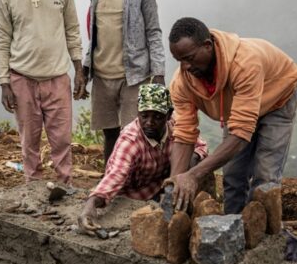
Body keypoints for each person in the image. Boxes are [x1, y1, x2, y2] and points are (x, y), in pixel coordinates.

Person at [166, 17, 297, 215]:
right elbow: (185, 133)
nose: (185, 67)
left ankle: (264, 239)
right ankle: (232, 228)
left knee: (265, 176)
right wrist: (175, 181)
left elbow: (240, 133)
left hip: (277, 100)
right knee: (233, 173)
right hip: (238, 108)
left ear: (207, 46)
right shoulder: (181, 83)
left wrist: (194, 175)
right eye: (180, 61)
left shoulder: (245, 63)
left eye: (190, 58)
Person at [0, 0, 86, 185]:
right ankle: (33, 190)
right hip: (22, 79)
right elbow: (2, 41)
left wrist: (78, 70)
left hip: (57, 78)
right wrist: (4, 83)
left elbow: (73, 31)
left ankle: (64, 187)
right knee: (29, 141)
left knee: (62, 140)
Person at [78, 84, 207, 232]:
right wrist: (91, 205)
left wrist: (187, 169)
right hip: (133, 195)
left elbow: (201, 146)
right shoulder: (130, 140)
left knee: (195, 163)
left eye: (157, 117)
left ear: (169, 114)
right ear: (138, 111)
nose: (149, 123)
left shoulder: (176, 126)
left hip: (161, 186)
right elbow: (115, 175)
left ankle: (185, 211)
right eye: (144, 116)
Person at [83, 0, 165, 165]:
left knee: (134, 132)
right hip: (102, 74)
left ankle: (137, 181)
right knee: (109, 132)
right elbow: (94, 35)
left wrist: (158, 73)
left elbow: (154, 32)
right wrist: (85, 68)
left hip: (133, 75)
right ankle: (111, 178)